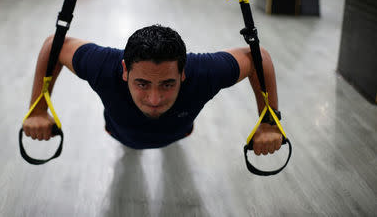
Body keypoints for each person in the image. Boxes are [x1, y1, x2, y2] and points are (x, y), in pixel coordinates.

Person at [23, 25, 284, 156]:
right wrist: (38, 109)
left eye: (168, 84)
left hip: (178, 133)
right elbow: (54, 44)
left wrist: (270, 123)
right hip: (119, 133)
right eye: (142, 84)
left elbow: (257, 56)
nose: (155, 99)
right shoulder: (103, 67)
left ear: (183, 73)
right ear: (125, 70)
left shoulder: (204, 73)